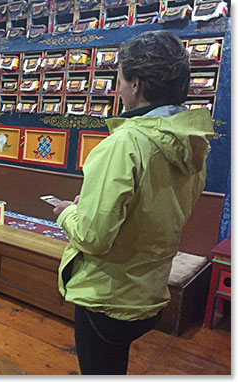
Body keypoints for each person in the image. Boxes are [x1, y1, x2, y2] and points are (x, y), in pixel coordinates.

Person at [53, 30, 214, 375]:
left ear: (136, 83)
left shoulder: (124, 144)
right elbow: (157, 208)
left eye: (120, 79)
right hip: (149, 292)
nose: (117, 89)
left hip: (107, 298)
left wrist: (68, 212)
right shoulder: (194, 142)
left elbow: (94, 237)